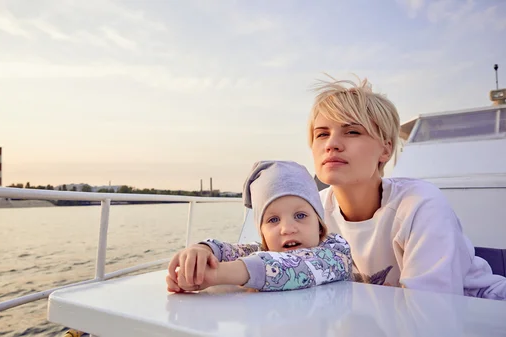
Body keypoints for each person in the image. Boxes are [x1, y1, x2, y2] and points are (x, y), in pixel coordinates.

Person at [308, 76, 506, 300]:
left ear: (386, 149)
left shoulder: (419, 204)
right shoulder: (313, 211)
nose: (331, 144)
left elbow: (430, 312)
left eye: (352, 132)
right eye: (322, 134)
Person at [166, 160, 352, 293]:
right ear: (261, 231)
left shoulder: (335, 252)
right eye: (273, 220)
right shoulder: (265, 250)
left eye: (300, 215)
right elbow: (231, 251)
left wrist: (216, 274)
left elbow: (294, 266)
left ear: (320, 226)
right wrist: (202, 255)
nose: (287, 228)